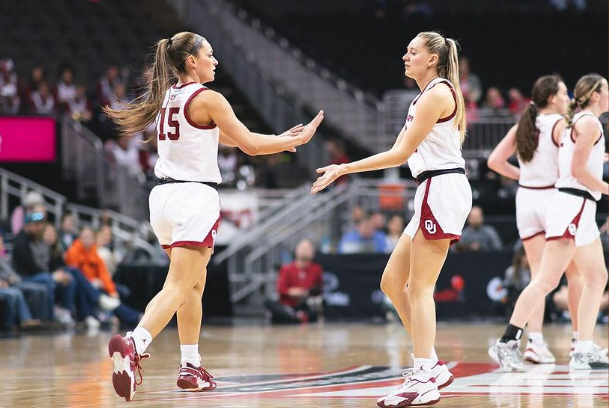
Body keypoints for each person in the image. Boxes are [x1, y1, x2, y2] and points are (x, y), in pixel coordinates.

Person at [104, 31, 323, 401]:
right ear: (192, 61)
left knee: (192, 286)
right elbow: (251, 146)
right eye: (210, 54)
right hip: (193, 197)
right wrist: (293, 142)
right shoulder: (208, 97)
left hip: (163, 199)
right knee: (178, 286)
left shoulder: (168, 96)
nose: (216, 61)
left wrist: (278, 136)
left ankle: (191, 366)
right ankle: (134, 343)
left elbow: (222, 137)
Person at [312, 31, 470, 407]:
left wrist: (345, 167)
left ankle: (423, 376)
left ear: (432, 58)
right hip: (432, 188)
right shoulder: (425, 95)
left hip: (441, 187)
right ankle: (432, 365)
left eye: (412, 52)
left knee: (419, 289)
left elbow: (399, 154)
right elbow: (397, 152)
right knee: (391, 282)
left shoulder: (436, 93)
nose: (405, 56)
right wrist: (344, 168)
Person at [489, 74, 609, 371]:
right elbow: (577, 170)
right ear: (595, 95)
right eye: (606, 89)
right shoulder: (585, 123)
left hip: (567, 203)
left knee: (596, 277)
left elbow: (578, 161)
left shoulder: (573, 122)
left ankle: (582, 347)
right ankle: (507, 342)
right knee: (547, 279)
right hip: (572, 203)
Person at [265, 240, 323, 324]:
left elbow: (319, 288)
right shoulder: (286, 268)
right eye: (302, 249)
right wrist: (291, 292)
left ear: (313, 253)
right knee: (268, 303)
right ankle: (295, 315)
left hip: (304, 304)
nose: (304, 252)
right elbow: (280, 288)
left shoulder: (316, 269)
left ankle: (297, 316)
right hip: (286, 304)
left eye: (307, 249)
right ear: (296, 251)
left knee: (315, 311)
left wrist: (305, 292)